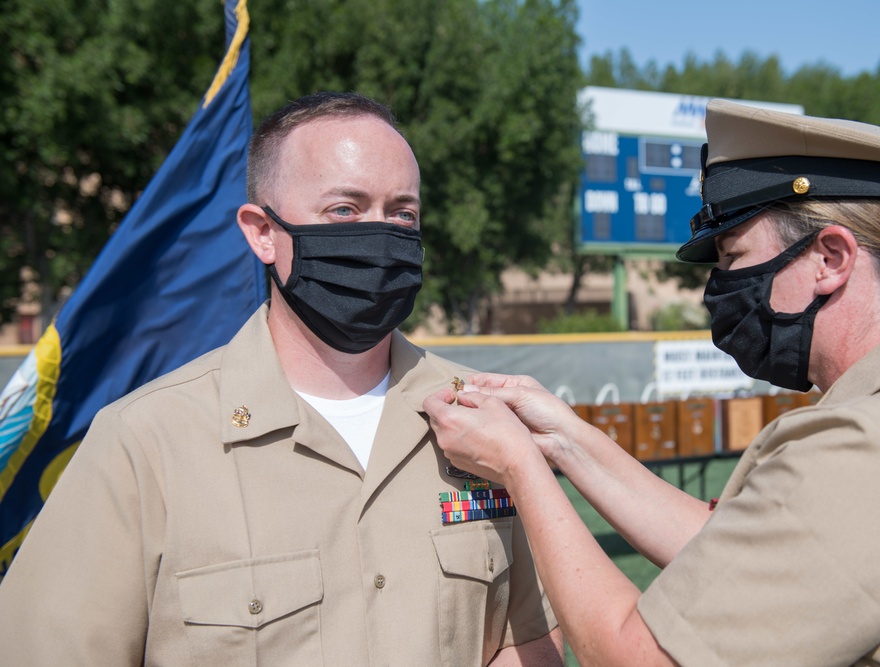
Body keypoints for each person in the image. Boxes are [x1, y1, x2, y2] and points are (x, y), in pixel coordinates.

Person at [423, 99, 880, 666]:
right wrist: (565, 440)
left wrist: (521, 468)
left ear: (830, 258)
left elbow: (636, 656)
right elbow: (745, 554)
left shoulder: (865, 448)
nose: (720, 287)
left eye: (734, 256)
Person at [0, 92, 562, 666]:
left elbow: (532, 638)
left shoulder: (484, 418)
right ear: (262, 232)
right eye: (345, 210)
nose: (381, 234)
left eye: (403, 213)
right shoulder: (144, 443)